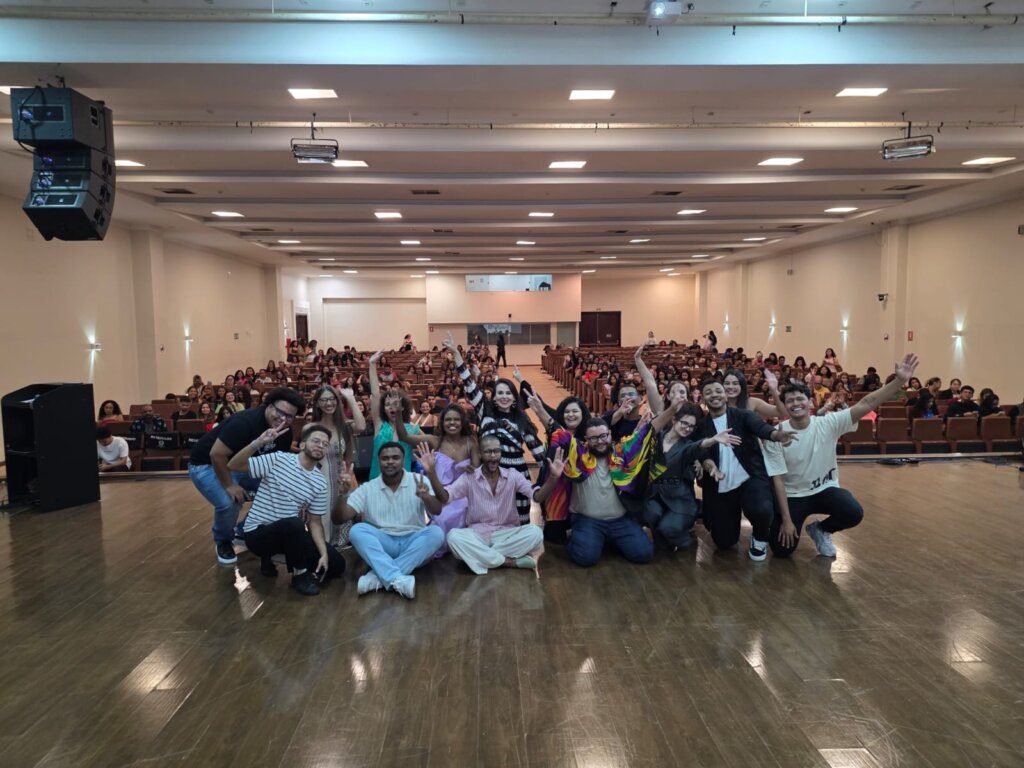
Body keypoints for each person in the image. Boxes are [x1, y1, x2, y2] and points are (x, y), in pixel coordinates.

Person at [766, 355, 920, 559]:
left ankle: (821, 530)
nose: (796, 403)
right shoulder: (775, 434)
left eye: (800, 399)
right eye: (790, 400)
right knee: (781, 550)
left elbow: (866, 403)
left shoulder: (828, 423)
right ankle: (777, 521)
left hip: (823, 490)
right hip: (792, 496)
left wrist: (898, 381)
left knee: (852, 511)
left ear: (810, 402)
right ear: (784, 406)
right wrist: (786, 521)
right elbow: (777, 479)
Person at [188, 387, 306, 565]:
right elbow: (217, 455)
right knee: (230, 501)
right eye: (280, 412)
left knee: (284, 490)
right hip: (207, 464)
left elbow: (275, 464)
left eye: (290, 416)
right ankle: (223, 541)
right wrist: (230, 485)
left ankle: (242, 531)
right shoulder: (245, 422)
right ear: (269, 406)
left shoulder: (285, 432)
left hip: (242, 466)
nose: (283, 419)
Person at [227, 423, 346, 596]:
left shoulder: (320, 482)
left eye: (325, 444)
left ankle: (279, 558)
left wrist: (323, 554)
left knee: (337, 565)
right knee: (294, 524)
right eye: (316, 441)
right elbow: (234, 465)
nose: (321, 445)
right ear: (302, 445)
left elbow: (315, 522)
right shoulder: (278, 459)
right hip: (257, 533)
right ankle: (300, 575)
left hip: (289, 533)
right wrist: (258, 443)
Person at [417, 435, 561, 575]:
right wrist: (431, 473)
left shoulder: (513, 475)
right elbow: (445, 497)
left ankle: (481, 556)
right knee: (453, 537)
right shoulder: (469, 477)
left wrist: (553, 478)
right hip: (478, 535)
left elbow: (537, 497)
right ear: (480, 454)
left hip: (507, 535)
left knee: (536, 533)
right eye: (488, 451)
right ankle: (508, 561)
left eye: (496, 451)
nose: (493, 455)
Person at [692, 377, 797, 561]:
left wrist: (776, 435)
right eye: (708, 392)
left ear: (726, 396)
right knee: (724, 542)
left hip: (750, 479)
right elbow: (702, 452)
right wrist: (710, 465)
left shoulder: (743, 415)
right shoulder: (701, 426)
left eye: (718, 391)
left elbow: (761, 428)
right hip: (721, 484)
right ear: (703, 399)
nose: (714, 395)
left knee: (761, 509)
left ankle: (760, 536)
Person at [445, 333, 545, 526]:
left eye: (508, 393)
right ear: (494, 396)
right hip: (488, 475)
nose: (504, 396)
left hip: (517, 475)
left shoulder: (522, 419)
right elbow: (469, 384)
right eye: (500, 393)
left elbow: (537, 450)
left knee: (520, 520)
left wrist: (551, 470)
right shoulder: (485, 410)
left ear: (514, 397)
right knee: (488, 517)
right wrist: (457, 355)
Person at [336, 443, 445, 599]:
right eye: (385, 458)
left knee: (437, 533)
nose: (390, 462)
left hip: (413, 546)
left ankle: (378, 577)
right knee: (357, 530)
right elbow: (340, 518)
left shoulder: (419, 480)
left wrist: (427, 497)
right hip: (382, 547)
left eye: (395, 458)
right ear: (378, 461)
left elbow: (437, 510)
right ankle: (397, 578)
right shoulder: (368, 488)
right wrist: (342, 494)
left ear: (403, 460)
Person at [549, 416, 655, 567]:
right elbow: (558, 432)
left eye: (603, 436)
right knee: (585, 558)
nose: (599, 441)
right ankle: (581, 536)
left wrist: (671, 409)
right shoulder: (578, 455)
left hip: (620, 520)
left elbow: (650, 430)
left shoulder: (621, 454)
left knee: (644, 553)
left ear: (610, 434)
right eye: (593, 438)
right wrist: (539, 409)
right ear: (586, 440)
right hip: (588, 520)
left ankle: (604, 540)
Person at [645, 400, 736, 551]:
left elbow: (697, 447)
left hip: (678, 497)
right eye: (684, 423)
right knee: (649, 514)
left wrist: (713, 440)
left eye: (691, 426)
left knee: (668, 528)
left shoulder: (687, 445)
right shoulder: (657, 437)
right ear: (674, 420)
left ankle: (685, 541)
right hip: (654, 494)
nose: (688, 428)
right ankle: (661, 537)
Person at [393, 404, 479, 551]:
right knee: (442, 515)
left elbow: (477, 471)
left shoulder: (470, 442)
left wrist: (472, 469)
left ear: (463, 421)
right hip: (438, 495)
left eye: (456, 419)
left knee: (464, 512)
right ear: (442, 422)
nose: (452, 423)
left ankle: (458, 546)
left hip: (463, 495)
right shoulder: (435, 441)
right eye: (448, 419)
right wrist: (398, 413)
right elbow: (404, 437)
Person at [308, 384, 365, 548]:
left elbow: (361, 426)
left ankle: (340, 551)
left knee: (341, 521)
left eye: (332, 399)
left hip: (341, 482)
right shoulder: (311, 428)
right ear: (317, 403)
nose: (328, 403)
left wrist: (351, 399)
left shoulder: (344, 426)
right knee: (322, 524)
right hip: (319, 483)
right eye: (323, 400)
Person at [367, 350, 423, 479]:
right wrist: (372, 364)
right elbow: (375, 395)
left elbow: (430, 447)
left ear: (403, 407)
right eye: (387, 404)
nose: (392, 407)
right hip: (377, 483)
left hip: (403, 484)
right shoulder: (379, 425)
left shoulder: (413, 429)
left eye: (396, 404)